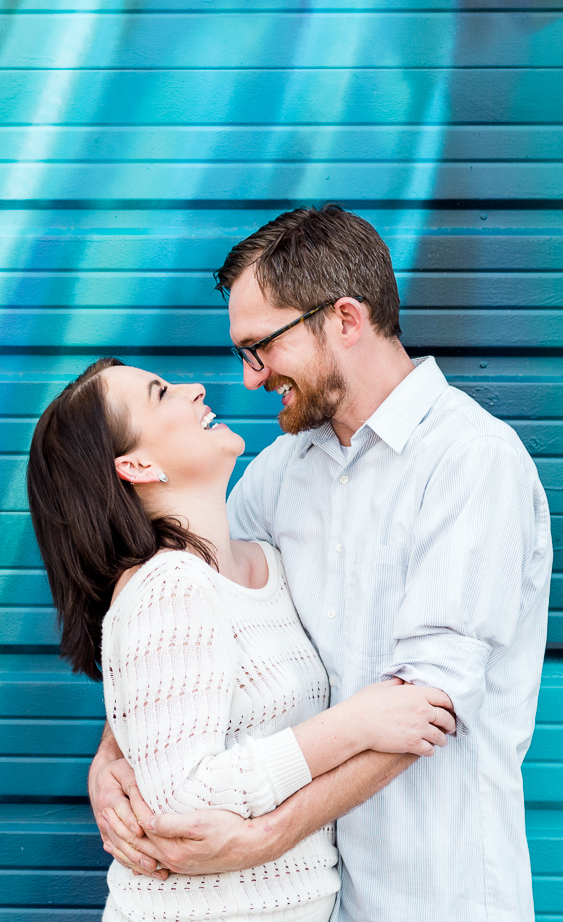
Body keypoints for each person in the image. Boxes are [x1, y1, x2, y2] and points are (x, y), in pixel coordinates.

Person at [89, 205, 553, 922]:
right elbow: (182, 611)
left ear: (344, 319)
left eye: (260, 347)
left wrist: (260, 838)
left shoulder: (470, 463)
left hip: (438, 892)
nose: (249, 379)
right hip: (321, 900)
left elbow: (429, 707)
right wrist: (113, 754)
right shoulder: (281, 472)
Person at [28, 356, 458, 922]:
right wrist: (356, 725)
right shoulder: (168, 585)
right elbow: (182, 803)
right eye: (160, 394)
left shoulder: (266, 562)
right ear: (135, 464)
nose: (195, 388)